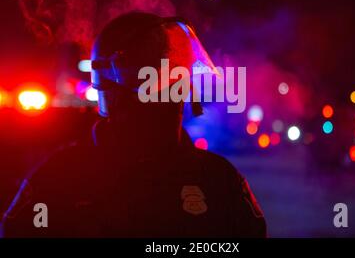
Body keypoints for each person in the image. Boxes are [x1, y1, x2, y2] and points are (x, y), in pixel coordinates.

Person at [1, 12, 266, 237]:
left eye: (177, 77)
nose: (175, 92)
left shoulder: (218, 179)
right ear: (116, 90)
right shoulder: (60, 178)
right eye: (159, 80)